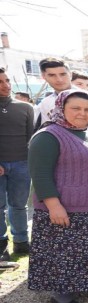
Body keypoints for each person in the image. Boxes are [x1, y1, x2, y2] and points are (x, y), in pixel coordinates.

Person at [27, 90, 88, 303]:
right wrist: (54, 205)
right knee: (63, 253)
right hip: (66, 207)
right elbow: (40, 175)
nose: (82, 113)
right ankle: (61, 294)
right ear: (61, 109)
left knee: (85, 251)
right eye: (75, 108)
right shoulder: (48, 136)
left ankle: (83, 284)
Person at [0, 67, 34, 260]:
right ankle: (1, 243)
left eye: (7, 80)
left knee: (19, 205)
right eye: (0, 82)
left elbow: (31, 138)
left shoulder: (25, 107)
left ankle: (21, 241)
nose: (5, 85)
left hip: (22, 163)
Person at [35, 58, 88, 138]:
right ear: (44, 77)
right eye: (52, 75)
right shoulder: (46, 102)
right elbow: (46, 129)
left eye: (63, 74)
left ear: (70, 75)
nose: (59, 79)